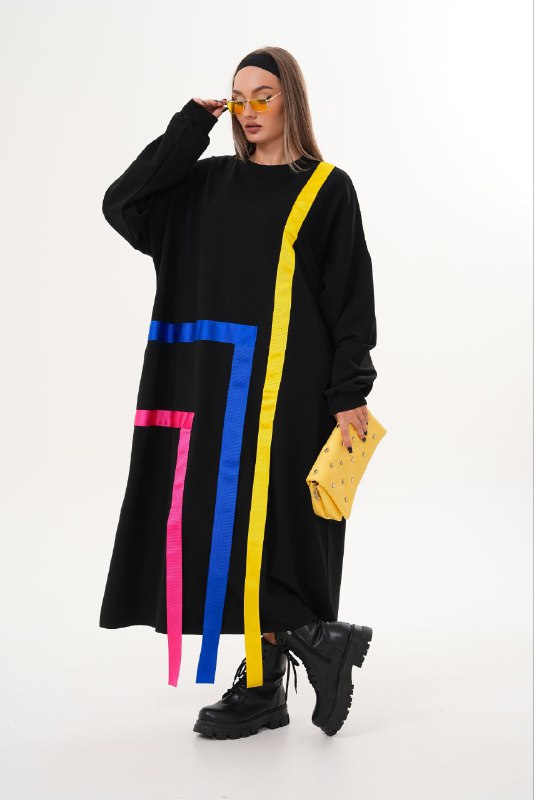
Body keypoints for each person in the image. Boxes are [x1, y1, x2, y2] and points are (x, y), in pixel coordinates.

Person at [99, 46, 378, 739]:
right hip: (216, 385)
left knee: (278, 532)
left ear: (291, 101)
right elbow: (124, 204)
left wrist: (350, 388)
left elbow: (349, 294)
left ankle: (269, 678)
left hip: (294, 388)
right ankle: (299, 658)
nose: (250, 111)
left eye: (264, 96)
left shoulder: (325, 189)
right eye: (239, 97)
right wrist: (188, 128)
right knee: (218, 529)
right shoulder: (204, 184)